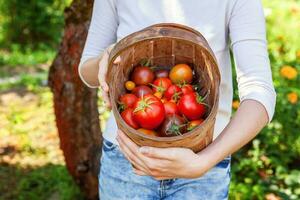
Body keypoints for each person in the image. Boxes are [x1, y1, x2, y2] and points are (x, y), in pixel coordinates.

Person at [78, 0, 276, 199]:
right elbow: (86, 71)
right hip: (127, 158)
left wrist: (203, 162)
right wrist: (106, 59)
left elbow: (260, 93)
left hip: (204, 163)